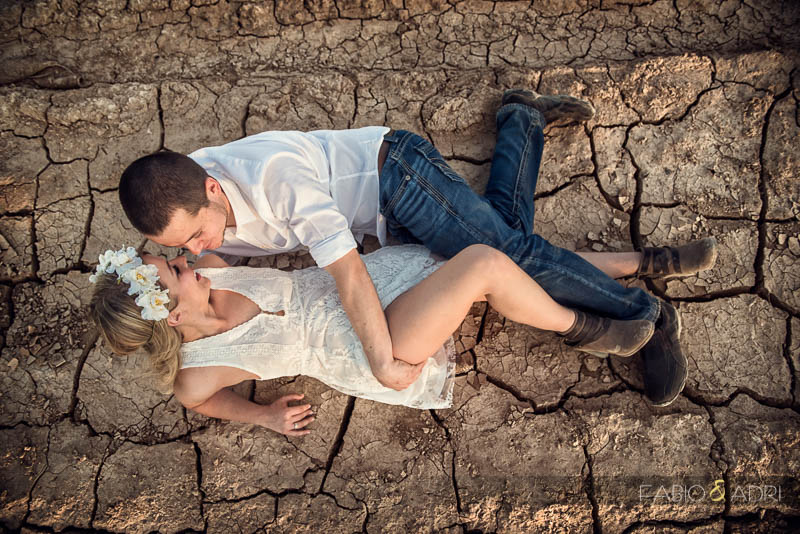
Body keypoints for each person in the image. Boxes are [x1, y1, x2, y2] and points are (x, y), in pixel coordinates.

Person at [118, 89, 717, 406]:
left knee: (514, 256)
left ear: (212, 186)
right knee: (506, 243)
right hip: (381, 231)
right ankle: (524, 122)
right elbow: (153, 281)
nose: (195, 252)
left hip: (397, 180)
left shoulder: (274, 177)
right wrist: (139, 286)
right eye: (180, 250)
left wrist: (381, 361)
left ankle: (648, 317)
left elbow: (348, 274)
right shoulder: (183, 216)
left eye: (194, 237)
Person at [90, 243, 659, 436]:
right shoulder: (198, 369)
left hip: (369, 285)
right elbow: (202, 401)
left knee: (493, 265)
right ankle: (594, 330)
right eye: (169, 271)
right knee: (482, 267)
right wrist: (264, 416)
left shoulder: (213, 265)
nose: (180, 260)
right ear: (168, 317)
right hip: (372, 345)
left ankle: (637, 262)